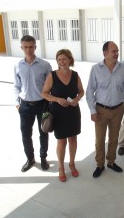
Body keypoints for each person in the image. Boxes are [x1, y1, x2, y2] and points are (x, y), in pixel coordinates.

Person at [86, 41, 124, 178]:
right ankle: (99, 165)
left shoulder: (123, 68)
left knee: (114, 139)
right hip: (101, 110)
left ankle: (111, 162)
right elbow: (90, 92)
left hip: (118, 110)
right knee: (100, 140)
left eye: (117, 51)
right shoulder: (96, 69)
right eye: (114, 51)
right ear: (105, 53)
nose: (117, 54)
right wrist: (92, 111)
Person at [41, 49, 84, 182]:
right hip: (58, 113)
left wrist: (77, 99)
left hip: (73, 112)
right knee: (61, 141)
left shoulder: (75, 75)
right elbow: (44, 93)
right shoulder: (52, 75)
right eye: (59, 59)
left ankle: (72, 164)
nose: (61, 62)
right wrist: (57, 99)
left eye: (64, 59)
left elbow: (81, 92)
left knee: (73, 139)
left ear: (70, 60)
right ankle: (61, 167)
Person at [14, 35, 52, 172]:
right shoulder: (17, 66)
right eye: (25, 47)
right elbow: (16, 86)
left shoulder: (45, 65)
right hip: (24, 105)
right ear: (22, 47)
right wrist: (16, 103)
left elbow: (50, 86)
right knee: (25, 134)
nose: (28, 50)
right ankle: (30, 159)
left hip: (42, 104)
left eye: (31, 47)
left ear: (35, 47)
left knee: (43, 132)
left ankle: (43, 158)